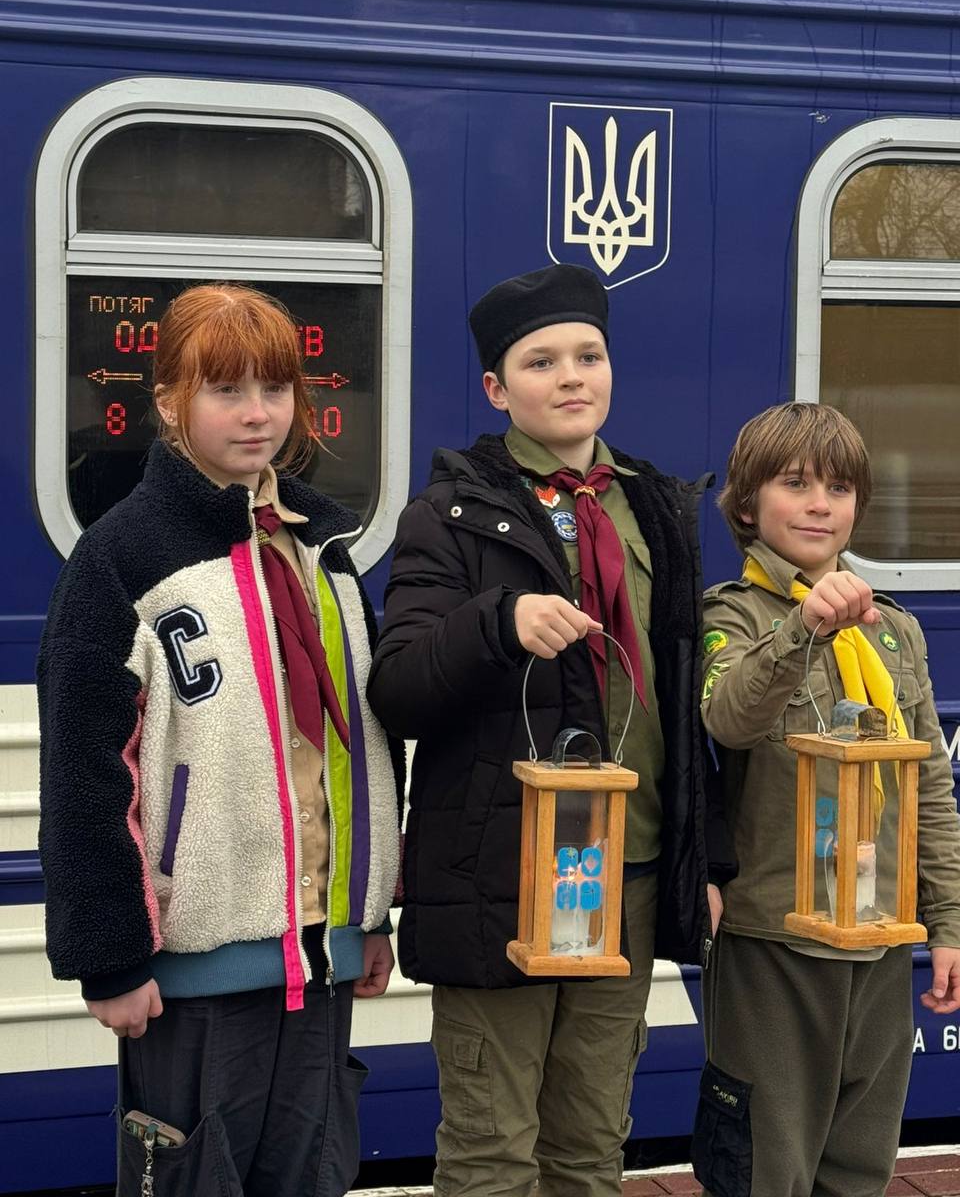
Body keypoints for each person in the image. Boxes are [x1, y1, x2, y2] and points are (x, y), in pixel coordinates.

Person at [367, 263, 730, 1197]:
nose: (571, 377)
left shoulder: (654, 505)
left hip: (628, 877)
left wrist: (707, 859)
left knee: (590, 1145)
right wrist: (496, 622)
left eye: (588, 356)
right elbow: (398, 689)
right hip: (503, 881)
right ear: (497, 390)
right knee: (492, 1153)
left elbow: (682, 701)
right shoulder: (447, 515)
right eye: (541, 362)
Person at [38, 284, 402, 1197]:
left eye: (275, 390)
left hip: (320, 954)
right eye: (226, 390)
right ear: (169, 401)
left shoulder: (325, 546)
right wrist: (109, 957)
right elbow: (84, 773)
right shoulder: (121, 557)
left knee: (312, 1180)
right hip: (192, 968)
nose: (257, 414)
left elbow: (358, 742)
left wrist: (369, 918)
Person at [695, 401, 960, 1197]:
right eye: (796, 484)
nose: (819, 504)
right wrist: (802, 629)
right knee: (765, 1166)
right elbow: (729, 716)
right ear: (748, 505)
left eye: (839, 489)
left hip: (879, 938)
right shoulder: (730, 614)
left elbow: (928, 787)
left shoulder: (894, 631)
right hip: (775, 939)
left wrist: (948, 922)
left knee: (859, 1164)